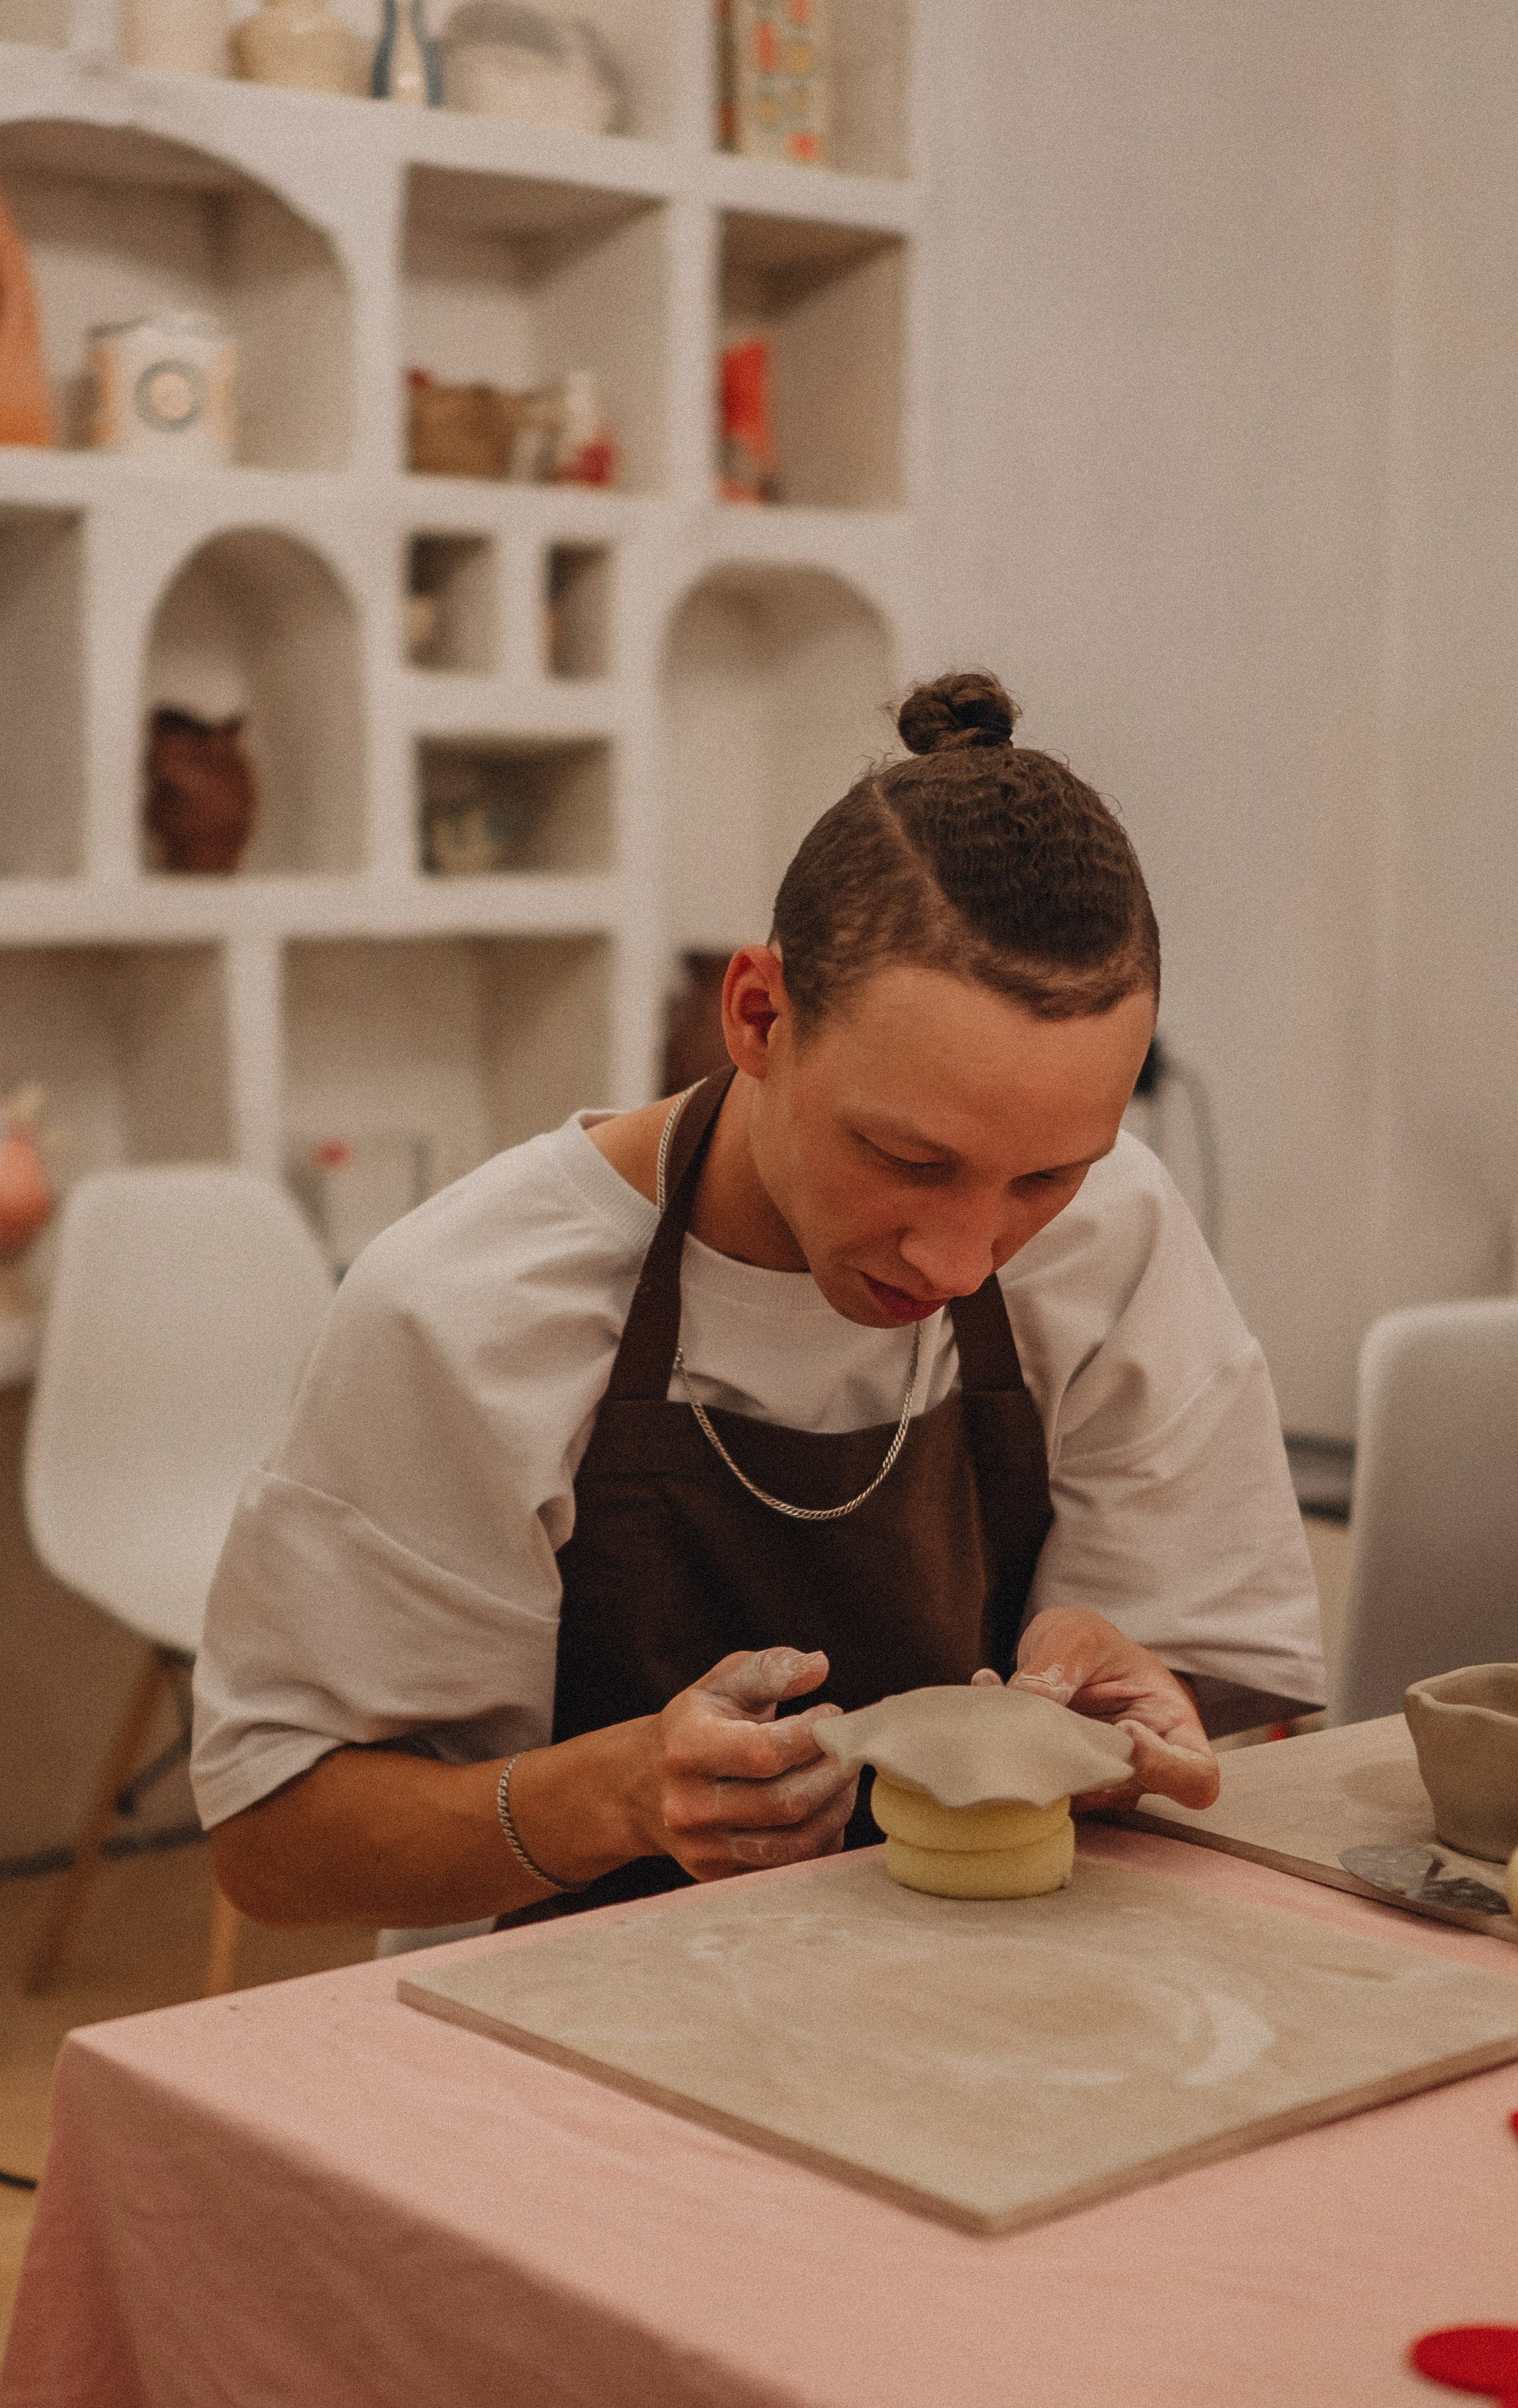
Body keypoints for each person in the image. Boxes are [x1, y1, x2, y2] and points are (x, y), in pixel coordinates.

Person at [194, 670, 1322, 1933]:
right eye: (907, 1159)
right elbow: (274, 1844)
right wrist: (611, 1801)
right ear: (755, 1013)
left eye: (1042, 1177)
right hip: (577, 2022)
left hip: (997, 1988)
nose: (961, 1258)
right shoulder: (466, 1312)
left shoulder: (1115, 1229)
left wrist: (1136, 1697)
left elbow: (1223, 1692)